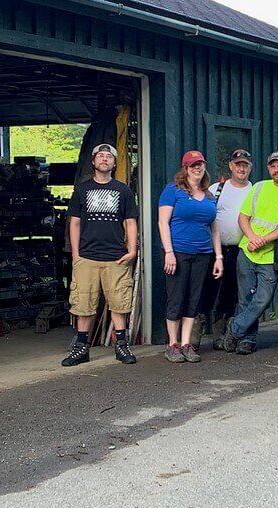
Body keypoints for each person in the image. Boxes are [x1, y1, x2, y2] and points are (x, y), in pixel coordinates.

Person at [62, 143, 139, 367]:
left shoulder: (123, 190)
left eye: (109, 157)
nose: (105, 159)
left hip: (116, 256)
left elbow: (130, 222)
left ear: (114, 163)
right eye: (101, 156)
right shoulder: (82, 189)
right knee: (83, 303)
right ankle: (81, 348)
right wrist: (76, 254)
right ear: (94, 162)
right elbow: (74, 223)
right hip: (87, 256)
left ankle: (122, 346)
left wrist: (132, 249)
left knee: (119, 304)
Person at [224, 151, 278, 355]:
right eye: (273, 166)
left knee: (262, 300)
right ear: (269, 168)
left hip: (271, 256)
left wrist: (262, 241)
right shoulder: (259, 187)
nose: (276, 170)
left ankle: (234, 329)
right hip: (247, 251)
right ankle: (246, 340)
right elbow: (243, 217)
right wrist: (252, 238)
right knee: (244, 299)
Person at [158, 151, 224, 363]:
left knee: (193, 300)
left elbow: (214, 228)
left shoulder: (208, 195)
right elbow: (162, 222)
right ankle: (172, 344)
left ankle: (186, 343)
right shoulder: (173, 190)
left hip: (203, 254)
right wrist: (168, 252)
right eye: (193, 165)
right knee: (176, 298)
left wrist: (219, 257)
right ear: (185, 168)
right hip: (178, 252)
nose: (197, 168)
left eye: (200, 165)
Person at [192, 149, 257, 351]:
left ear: (250, 167)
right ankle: (194, 335)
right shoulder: (216, 188)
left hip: (241, 250)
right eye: (238, 164)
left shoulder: (255, 191)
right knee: (206, 290)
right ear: (230, 166)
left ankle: (223, 333)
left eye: (245, 164)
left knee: (232, 292)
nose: (241, 168)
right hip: (214, 249)